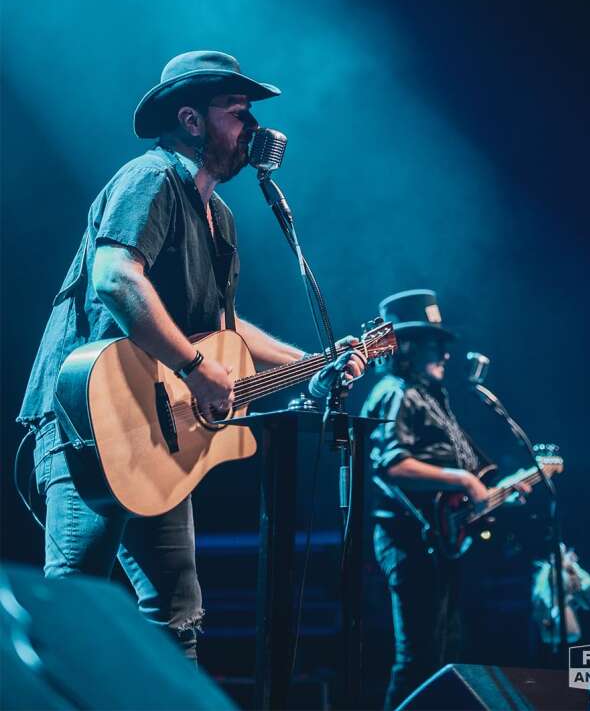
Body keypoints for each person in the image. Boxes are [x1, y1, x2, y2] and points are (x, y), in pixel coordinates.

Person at [18, 49, 365, 662]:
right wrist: (195, 367)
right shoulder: (149, 178)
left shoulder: (221, 218)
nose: (253, 129)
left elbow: (227, 330)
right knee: (71, 609)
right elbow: (116, 279)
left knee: (178, 617)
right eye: (238, 112)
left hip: (160, 436)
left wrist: (316, 363)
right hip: (90, 420)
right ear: (192, 119)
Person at [361, 289, 529, 710]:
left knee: (446, 655)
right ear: (411, 345)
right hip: (409, 541)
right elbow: (390, 465)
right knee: (419, 659)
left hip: (438, 540)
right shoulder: (394, 391)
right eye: (437, 344)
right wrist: (461, 479)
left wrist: (496, 495)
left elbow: (459, 484)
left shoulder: (433, 398)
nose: (446, 355)